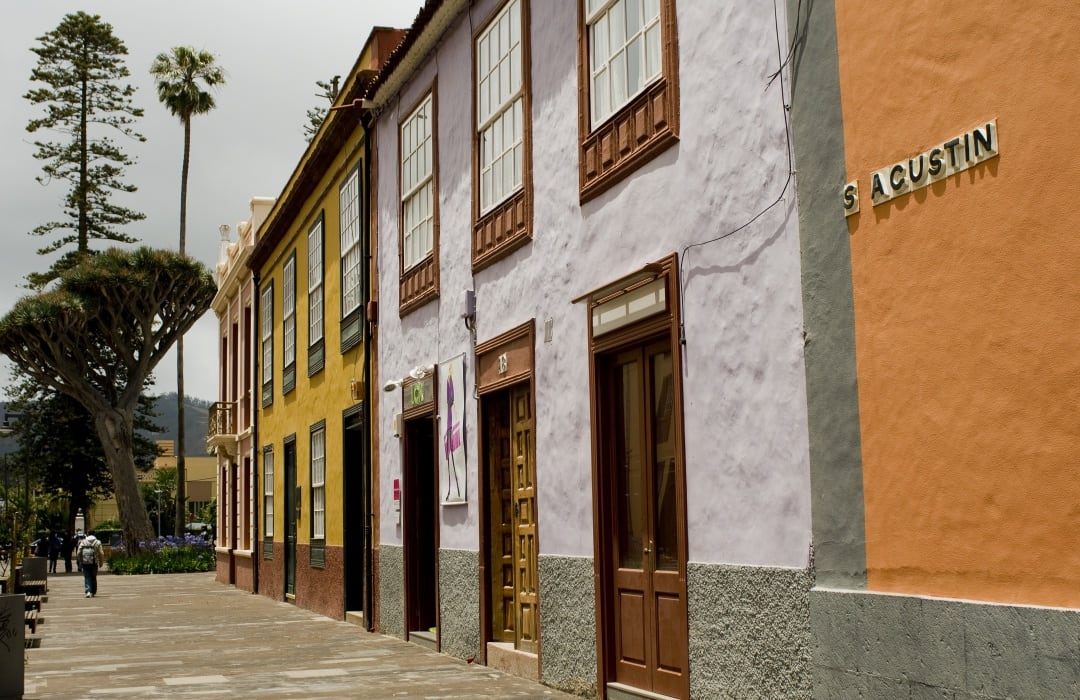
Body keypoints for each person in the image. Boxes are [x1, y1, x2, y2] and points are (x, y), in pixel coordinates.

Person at [77, 533, 104, 598]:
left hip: (85, 562)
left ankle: (88, 591)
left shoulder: (83, 542)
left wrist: (81, 561)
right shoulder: (97, 542)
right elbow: (101, 553)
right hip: (94, 562)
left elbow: (78, 552)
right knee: (93, 576)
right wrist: (101, 562)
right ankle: (93, 592)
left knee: (87, 576)